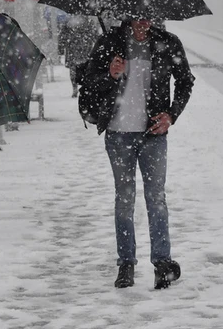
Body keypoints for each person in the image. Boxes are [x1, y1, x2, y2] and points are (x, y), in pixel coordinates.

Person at [82, 18, 195, 290]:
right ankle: (126, 264)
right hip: (118, 134)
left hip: (153, 134)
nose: (143, 22)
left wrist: (171, 115)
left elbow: (185, 82)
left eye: (148, 15)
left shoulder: (167, 43)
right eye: (138, 16)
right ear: (129, 16)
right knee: (124, 199)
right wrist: (109, 74)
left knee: (156, 198)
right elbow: (88, 83)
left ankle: (162, 263)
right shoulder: (110, 42)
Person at [58, 15, 101, 97]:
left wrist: (60, 50)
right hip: (85, 48)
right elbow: (95, 36)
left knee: (73, 70)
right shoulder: (88, 21)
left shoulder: (68, 22)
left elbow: (62, 37)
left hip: (73, 49)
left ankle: (75, 87)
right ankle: (84, 87)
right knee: (86, 69)